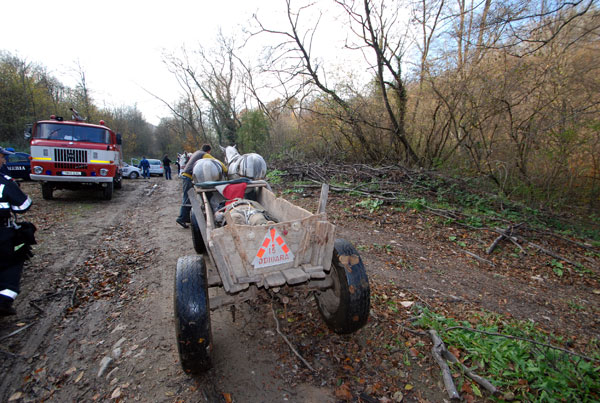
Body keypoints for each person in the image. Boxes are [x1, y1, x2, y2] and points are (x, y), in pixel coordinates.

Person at [0, 147, 33, 316]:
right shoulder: (5, 182)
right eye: (2, 157)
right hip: (3, 233)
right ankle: (4, 301)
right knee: (12, 261)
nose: (4, 161)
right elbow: (23, 206)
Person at [176, 144, 226, 228]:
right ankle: (182, 218)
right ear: (209, 151)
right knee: (187, 198)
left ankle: (185, 217)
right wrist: (225, 169)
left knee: (187, 197)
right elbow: (217, 162)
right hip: (188, 176)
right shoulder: (204, 154)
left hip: (186, 175)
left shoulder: (197, 153)